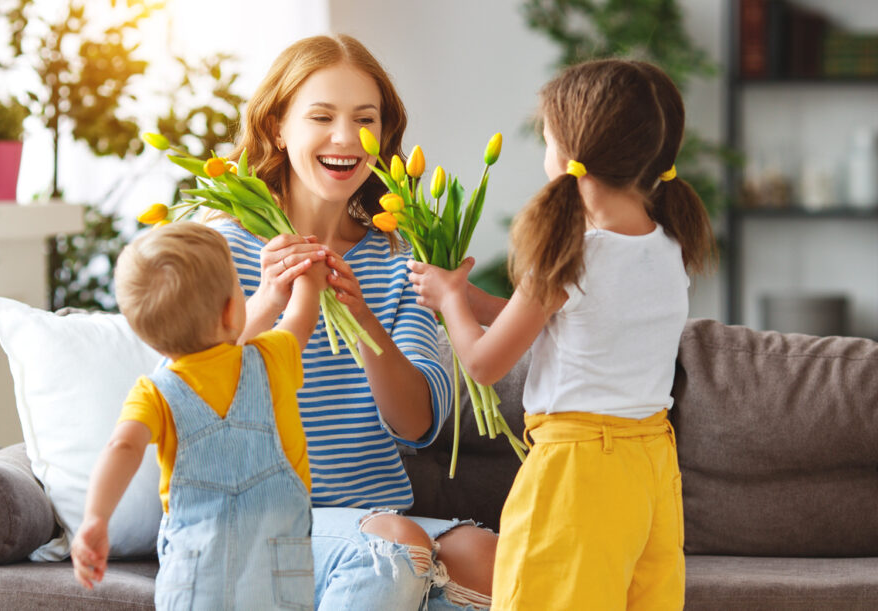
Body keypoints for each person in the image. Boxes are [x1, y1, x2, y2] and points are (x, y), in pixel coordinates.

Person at [407, 58, 715, 610]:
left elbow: (482, 364)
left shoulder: (571, 256)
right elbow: (569, 323)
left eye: (547, 138)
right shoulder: (668, 246)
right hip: (649, 468)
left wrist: (451, 301)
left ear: (573, 153)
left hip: (579, 472)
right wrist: (470, 297)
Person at [207, 34, 497, 610]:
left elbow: (416, 426)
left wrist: (361, 316)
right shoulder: (219, 247)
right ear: (276, 128)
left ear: (383, 138)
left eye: (365, 120)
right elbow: (187, 397)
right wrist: (268, 301)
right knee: (393, 549)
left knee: (494, 561)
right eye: (321, 116)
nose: (346, 138)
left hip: (372, 518)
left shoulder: (401, 258)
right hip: (251, 521)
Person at [69, 222, 325, 610]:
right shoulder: (271, 357)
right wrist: (310, 276)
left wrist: (95, 518)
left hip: (193, 582)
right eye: (240, 286)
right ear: (229, 311)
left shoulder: (153, 392)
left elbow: (122, 445)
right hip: (277, 576)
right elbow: (301, 319)